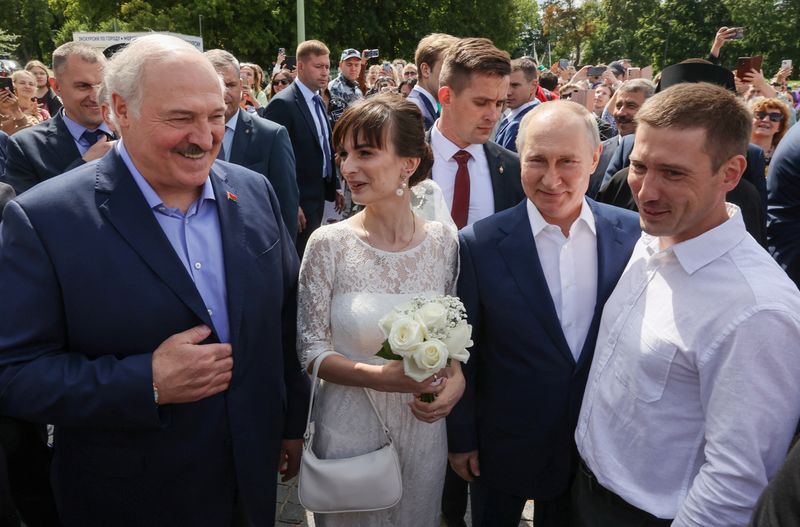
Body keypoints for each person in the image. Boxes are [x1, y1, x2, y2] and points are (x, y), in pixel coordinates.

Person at [0, 34, 309, 526]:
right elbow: (14, 375)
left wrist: (291, 424)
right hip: (130, 496)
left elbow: (285, 318)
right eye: (181, 118)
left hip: (251, 481)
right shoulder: (45, 219)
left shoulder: (254, 191)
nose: (205, 137)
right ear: (119, 109)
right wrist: (145, 382)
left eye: (215, 116)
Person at [574, 82, 800, 527]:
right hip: (584, 493)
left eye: (674, 173)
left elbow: (736, 482)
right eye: (639, 166)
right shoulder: (655, 235)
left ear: (731, 174)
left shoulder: (758, 311)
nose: (646, 191)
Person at [448, 101, 639, 527]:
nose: (551, 179)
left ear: (594, 159)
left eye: (567, 161)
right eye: (536, 160)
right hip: (502, 448)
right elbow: (465, 353)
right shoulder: (478, 244)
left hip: (597, 453)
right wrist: (461, 438)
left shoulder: (633, 236)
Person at [297, 94, 464, 526]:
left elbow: (452, 336)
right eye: (344, 154)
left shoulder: (444, 244)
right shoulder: (328, 244)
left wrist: (457, 381)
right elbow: (310, 350)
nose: (349, 167)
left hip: (424, 430)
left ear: (409, 164)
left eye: (366, 153)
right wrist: (381, 378)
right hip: (350, 434)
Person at [205, 49, 300, 238]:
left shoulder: (271, 136)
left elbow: (286, 209)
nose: (223, 95)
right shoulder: (185, 136)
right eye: (214, 85)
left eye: (229, 85)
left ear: (241, 86)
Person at [261, 39, 343, 256]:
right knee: (298, 262)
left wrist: (334, 184)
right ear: (301, 66)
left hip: (318, 195)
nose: (325, 72)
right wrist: (291, 203)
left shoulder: (318, 100)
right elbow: (273, 160)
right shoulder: (282, 104)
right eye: (319, 67)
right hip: (298, 202)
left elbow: (323, 145)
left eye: (327, 66)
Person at [2, 42, 114, 194]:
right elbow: (26, 211)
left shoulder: (134, 133)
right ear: (56, 86)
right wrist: (84, 166)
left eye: (102, 86)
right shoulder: (26, 147)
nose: (95, 97)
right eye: (83, 86)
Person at [408, 33, 458, 131]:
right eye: (447, 69)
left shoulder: (426, 107)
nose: (454, 76)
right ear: (425, 70)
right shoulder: (415, 113)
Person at [495, 57, 540, 153]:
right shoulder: (538, 112)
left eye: (515, 85)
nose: (508, 92)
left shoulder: (521, 124)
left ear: (533, 85)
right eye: (505, 85)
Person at [0, 70, 49, 136]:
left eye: (31, 84)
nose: (27, 86)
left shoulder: (43, 113)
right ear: (13, 86)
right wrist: (23, 114)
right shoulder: (3, 111)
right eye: (22, 83)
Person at [750, 98, 790, 167]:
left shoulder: (784, 156)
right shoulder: (736, 148)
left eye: (774, 117)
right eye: (760, 114)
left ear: (780, 127)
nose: (765, 120)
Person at [328, 48, 364, 125]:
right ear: (341, 65)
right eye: (349, 64)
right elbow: (337, 123)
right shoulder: (335, 87)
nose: (353, 68)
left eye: (357, 65)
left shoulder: (356, 87)